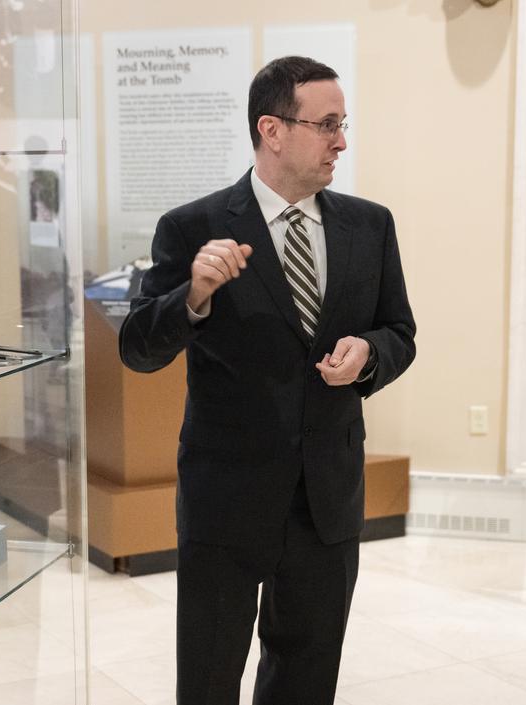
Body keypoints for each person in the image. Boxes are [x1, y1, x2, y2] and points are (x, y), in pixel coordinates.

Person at [118, 55, 415, 705]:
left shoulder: (370, 226)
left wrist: (368, 353)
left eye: (344, 123)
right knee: (210, 674)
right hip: (227, 498)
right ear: (273, 129)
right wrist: (193, 294)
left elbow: (400, 333)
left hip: (327, 497)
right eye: (327, 124)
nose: (342, 139)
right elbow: (138, 348)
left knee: (307, 672)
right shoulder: (192, 227)